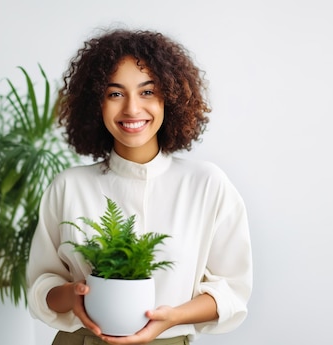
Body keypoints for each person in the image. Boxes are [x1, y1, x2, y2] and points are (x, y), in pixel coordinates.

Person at [26, 27, 253, 345]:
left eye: (147, 91)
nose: (132, 108)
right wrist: (72, 297)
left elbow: (231, 290)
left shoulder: (206, 184)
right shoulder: (69, 186)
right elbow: (41, 287)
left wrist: (173, 318)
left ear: (169, 99)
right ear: (96, 103)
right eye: (115, 93)